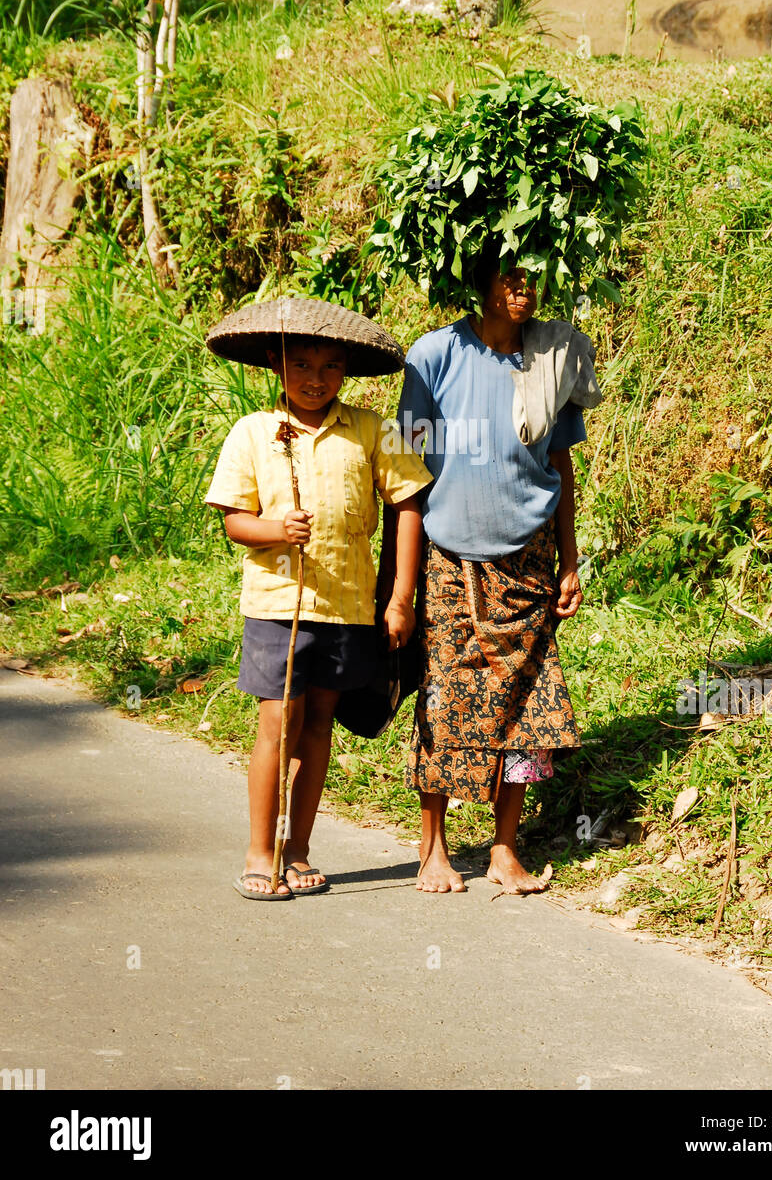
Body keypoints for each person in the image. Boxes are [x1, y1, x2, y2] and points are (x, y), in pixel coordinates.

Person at [205, 304, 432, 901]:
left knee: (318, 727)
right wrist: (276, 528)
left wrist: (399, 598)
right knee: (280, 724)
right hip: (279, 604)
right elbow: (235, 521)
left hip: (349, 607)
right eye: (301, 363)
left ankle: (297, 849)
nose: (316, 377)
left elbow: (408, 506)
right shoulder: (254, 431)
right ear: (277, 365)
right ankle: (260, 852)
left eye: (331, 366)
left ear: (347, 371)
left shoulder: (373, 428)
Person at [396, 257, 602, 894]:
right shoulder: (435, 357)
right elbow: (407, 471)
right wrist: (401, 591)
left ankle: (503, 846)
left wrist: (570, 559)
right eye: (509, 275)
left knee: (531, 708)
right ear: (479, 280)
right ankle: (433, 847)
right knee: (446, 701)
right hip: (449, 559)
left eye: (534, 276)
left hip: (530, 561)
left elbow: (560, 464)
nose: (524, 288)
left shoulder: (550, 358)